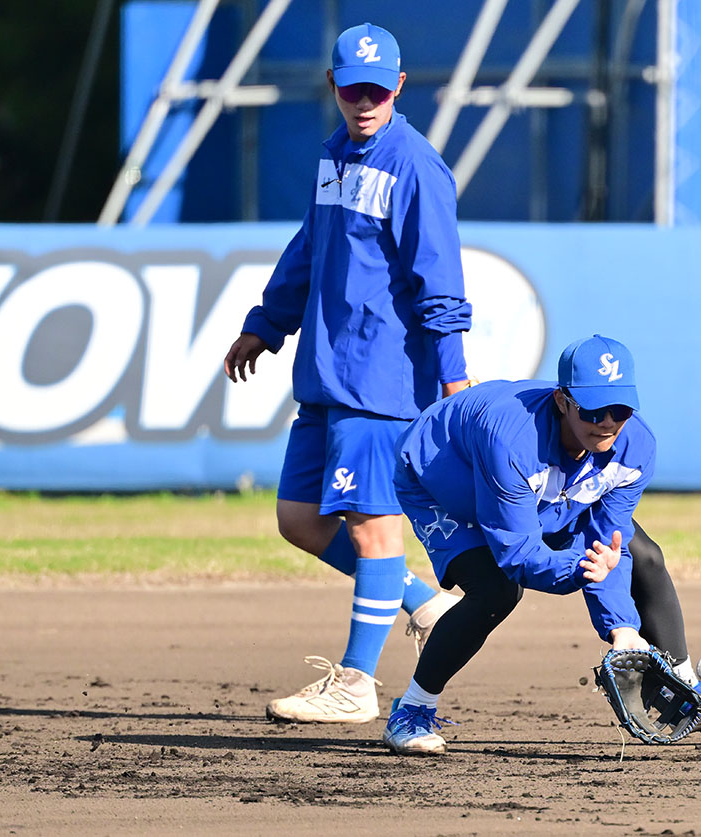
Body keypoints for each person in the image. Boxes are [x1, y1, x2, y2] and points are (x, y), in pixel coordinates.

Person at [223, 22, 469, 724]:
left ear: (398, 87)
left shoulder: (414, 166)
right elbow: (311, 246)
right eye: (352, 88)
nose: (364, 101)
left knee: (372, 528)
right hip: (327, 374)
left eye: (377, 90)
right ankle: (422, 601)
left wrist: (454, 380)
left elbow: (440, 281)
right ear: (332, 84)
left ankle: (357, 682)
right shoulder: (335, 153)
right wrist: (267, 323)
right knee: (300, 519)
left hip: (381, 380)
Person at [382, 335, 701, 755]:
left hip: (535, 481)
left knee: (644, 554)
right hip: (442, 479)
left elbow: (608, 544)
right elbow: (518, 556)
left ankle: (691, 697)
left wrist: (623, 631)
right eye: (592, 409)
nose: (607, 422)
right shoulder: (511, 442)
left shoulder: (636, 447)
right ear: (562, 401)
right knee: (496, 589)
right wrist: (580, 569)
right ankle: (411, 711)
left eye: (620, 410)